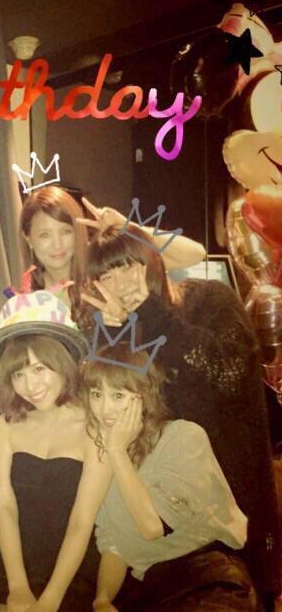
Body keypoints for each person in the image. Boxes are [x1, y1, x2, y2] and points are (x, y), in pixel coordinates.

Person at [81, 223, 281, 604]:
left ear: (152, 262)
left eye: (128, 267)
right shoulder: (121, 331)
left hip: (227, 523)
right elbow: (111, 408)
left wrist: (151, 313)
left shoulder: (209, 300)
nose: (119, 283)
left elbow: (228, 375)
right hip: (158, 532)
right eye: (106, 276)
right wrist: (114, 335)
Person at [82, 343, 259, 612]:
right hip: (150, 584)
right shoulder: (103, 457)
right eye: (96, 394)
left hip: (206, 574)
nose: (105, 409)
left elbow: (152, 527)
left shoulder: (183, 437)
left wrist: (117, 452)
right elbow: (114, 542)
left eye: (118, 395)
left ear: (145, 395)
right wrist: (103, 599)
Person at [0, 290, 111, 612]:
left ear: (62, 363)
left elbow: (82, 521)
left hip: (72, 566)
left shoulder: (97, 428)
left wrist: (50, 599)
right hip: (12, 560)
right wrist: (17, 587)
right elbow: (5, 508)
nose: (30, 385)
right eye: (19, 374)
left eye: (39, 369)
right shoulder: (6, 426)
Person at [16, 186, 206, 312]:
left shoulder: (103, 266)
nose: (57, 244)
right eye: (45, 235)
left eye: (66, 231)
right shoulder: (27, 294)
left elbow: (195, 254)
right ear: (28, 238)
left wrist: (127, 227)